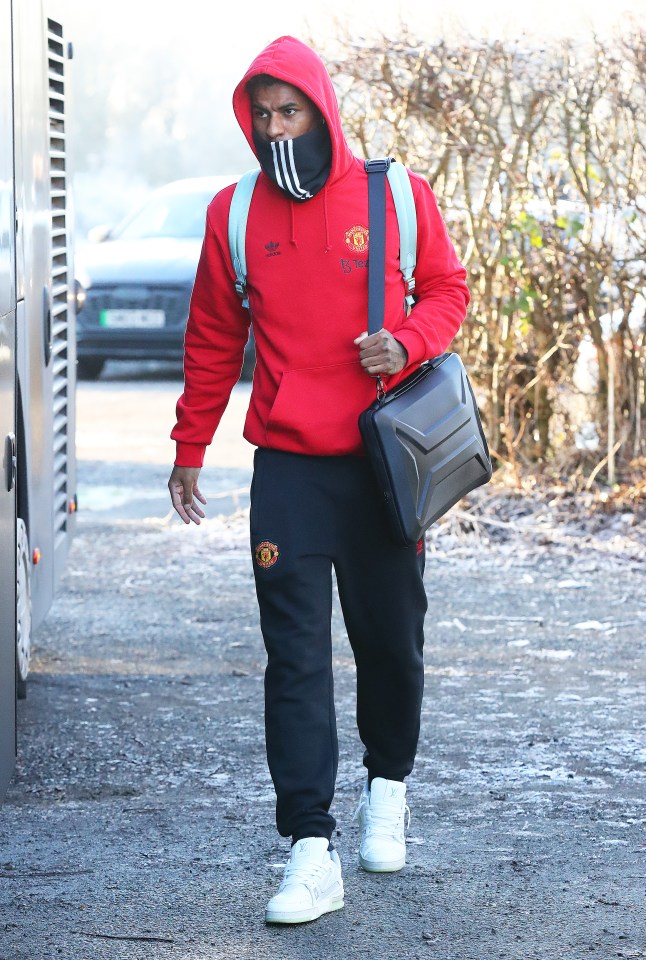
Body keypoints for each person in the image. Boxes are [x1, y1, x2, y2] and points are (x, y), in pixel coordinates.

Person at [168, 35, 469, 925]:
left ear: (320, 111)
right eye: (260, 117)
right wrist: (190, 444)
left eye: (287, 112)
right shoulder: (234, 216)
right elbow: (212, 340)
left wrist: (406, 342)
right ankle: (309, 847)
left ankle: (388, 786)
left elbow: (448, 292)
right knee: (294, 659)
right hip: (288, 469)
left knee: (390, 644)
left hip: (384, 466)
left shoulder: (395, 198)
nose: (273, 129)